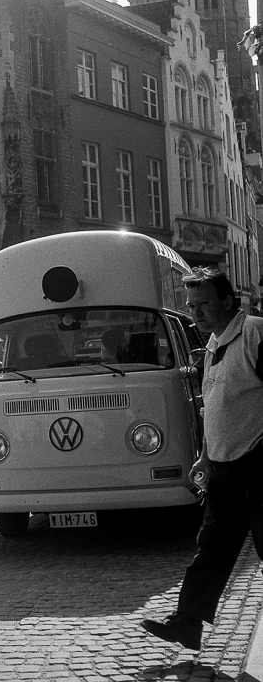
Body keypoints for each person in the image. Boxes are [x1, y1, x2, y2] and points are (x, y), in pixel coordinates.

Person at [141, 268, 263, 652]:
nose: (196, 312)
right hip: (224, 467)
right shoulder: (212, 345)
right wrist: (206, 458)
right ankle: (187, 623)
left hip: (258, 463)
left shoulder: (255, 334)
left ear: (227, 301)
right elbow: (216, 408)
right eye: (192, 305)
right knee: (212, 547)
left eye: (204, 303)